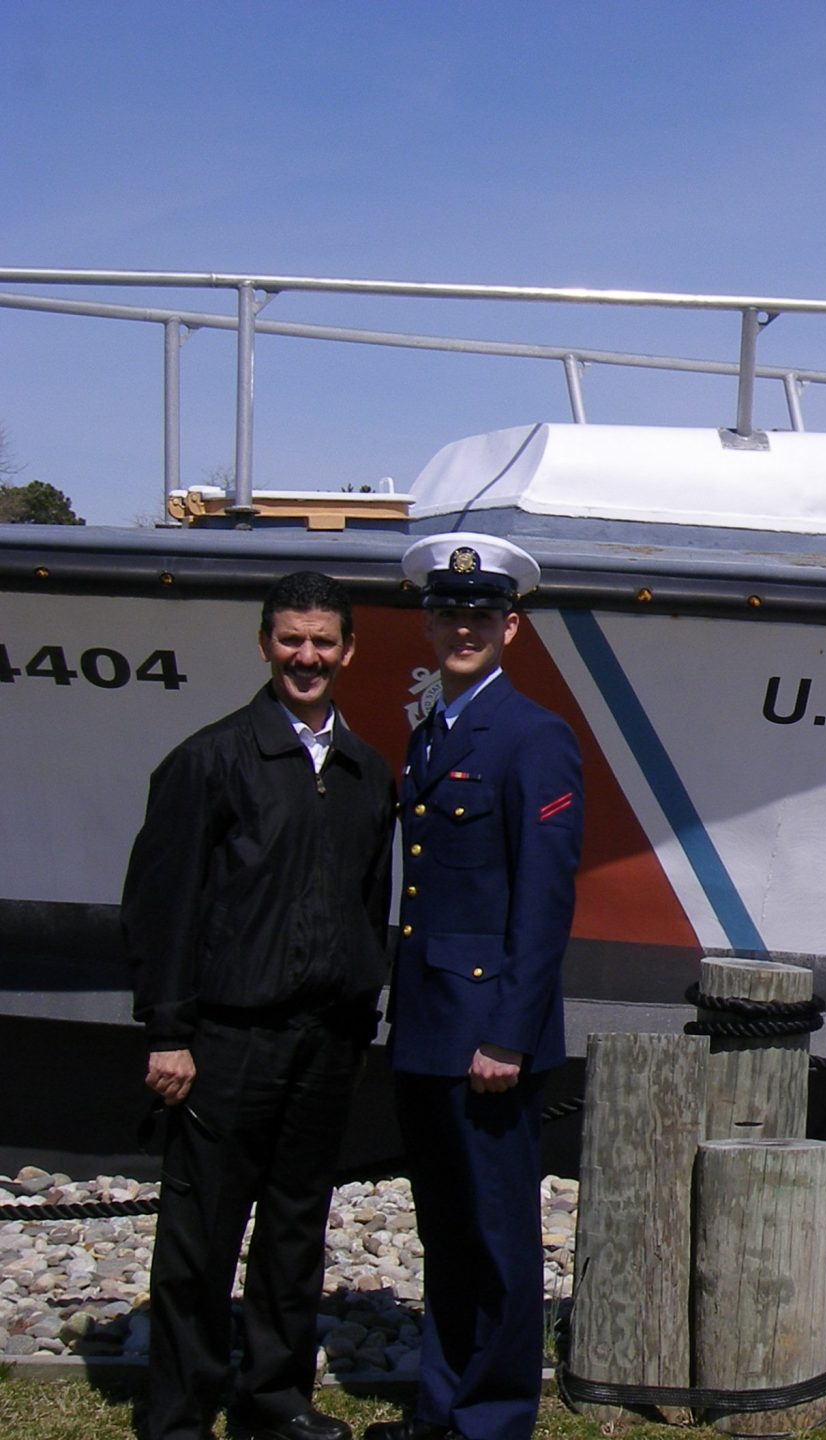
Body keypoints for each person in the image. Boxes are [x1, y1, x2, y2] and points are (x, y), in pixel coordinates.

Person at [123, 571, 395, 1440]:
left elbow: (369, 902)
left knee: (293, 1231)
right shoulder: (209, 761)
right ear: (264, 644)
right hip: (228, 1040)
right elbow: (161, 906)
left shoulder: (365, 771)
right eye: (290, 639)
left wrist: (360, 1013)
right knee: (198, 1240)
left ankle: (276, 1400)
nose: (306, 657)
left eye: (322, 641)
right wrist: (168, 1031)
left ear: (349, 651)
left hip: (324, 1041)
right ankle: (178, 1413)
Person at [367, 534, 583, 1440]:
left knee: (496, 1240)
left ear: (512, 628)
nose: (464, 627)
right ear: (428, 622)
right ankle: (441, 1410)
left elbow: (543, 900)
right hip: (427, 1025)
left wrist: (507, 1033)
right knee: (446, 1234)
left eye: (481, 615)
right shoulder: (435, 731)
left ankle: (491, 1421)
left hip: (487, 1036)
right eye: (450, 613)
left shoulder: (535, 737)